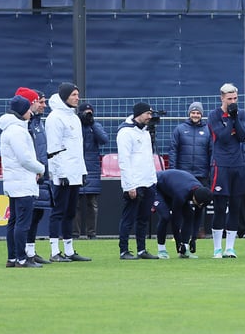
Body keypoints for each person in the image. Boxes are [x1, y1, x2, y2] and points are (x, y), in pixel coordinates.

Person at [45, 82, 91, 262]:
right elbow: (53, 148)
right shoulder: (55, 118)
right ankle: (55, 251)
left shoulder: (73, 117)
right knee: (58, 211)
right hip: (62, 174)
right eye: (73, 94)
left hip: (75, 172)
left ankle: (70, 250)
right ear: (64, 96)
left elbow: (77, 149)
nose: (77, 98)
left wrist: (82, 170)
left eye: (77, 94)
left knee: (71, 211)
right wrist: (59, 172)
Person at [0, 95, 46, 268]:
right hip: (22, 183)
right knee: (22, 223)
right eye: (27, 109)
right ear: (21, 111)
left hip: (14, 182)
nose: (30, 112)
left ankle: (12, 258)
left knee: (13, 222)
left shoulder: (10, 130)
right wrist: (41, 168)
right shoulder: (17, 131)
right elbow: (25, 158)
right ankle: (21, 258)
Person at [209, 83, 245, 259]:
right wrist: (231, 120)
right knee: (219, 207)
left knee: (235, 207)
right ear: (222, 98)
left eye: (235, 98)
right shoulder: (214, 115)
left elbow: (242, 136)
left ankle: (230, 248)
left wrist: (234, 118)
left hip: (238, 165)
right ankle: (217, 247)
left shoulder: (240, 114)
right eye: (229, 99)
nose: (233, 101)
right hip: (221, 165)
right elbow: (224, 137)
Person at [12, 88, 52, 266]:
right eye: (40, 101)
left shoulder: (37, 123)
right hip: (31, 175)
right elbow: (25, 155)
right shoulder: (24, 125)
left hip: (40, 173)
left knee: (36, 215)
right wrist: (37, 169)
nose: (43, 105)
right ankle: (22, 255)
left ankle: (30, 251)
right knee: (26, 217)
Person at [117, 102, 159, 260]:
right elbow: (124, 160)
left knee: (143, 218)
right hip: (135, 182)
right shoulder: (126, 132)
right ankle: (124, 250)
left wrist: (152, 179)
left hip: (148, 181)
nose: (150, 117)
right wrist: (129, 185)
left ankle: (142, 249)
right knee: (128, 218)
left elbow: (148, 158)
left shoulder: (145, 132)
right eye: (147, 114)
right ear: (139, 114)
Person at [170, 101, 212, 251]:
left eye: (198, 112)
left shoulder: (208, 130)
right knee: (183, 208)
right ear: (189, 113)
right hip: (183, 176)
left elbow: (211, 153)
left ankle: (194, 238)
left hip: (201, 176)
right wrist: (173, 171)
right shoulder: (180, 129)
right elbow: (173, 151)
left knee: (199, 208)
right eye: (193, 112)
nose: (195, 115)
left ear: (202, 114)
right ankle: (182, 238)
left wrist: (210, 173)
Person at [151, 169, 213, 259]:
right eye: (198, 204)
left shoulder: (201, 192)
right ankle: (161, 250)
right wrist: (178, 243)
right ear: (194, 198)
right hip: (157, 186)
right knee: (165, 216)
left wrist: (194, 239)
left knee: (189, 215)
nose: (198, 206)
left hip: (171, 188)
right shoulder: (181, 194)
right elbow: (176, 221)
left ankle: (185, 249)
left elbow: (197, 216)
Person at [75, 102, 107, 240]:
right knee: (75, 204)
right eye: (86, 112)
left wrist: (92, 124)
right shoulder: (75, 126)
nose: (88, 114)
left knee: (92, 204)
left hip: (92, 169)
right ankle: (74, 234)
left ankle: (91, 233)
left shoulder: (95, 126)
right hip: (76, 167)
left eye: (90, 112)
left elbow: (104, 140)